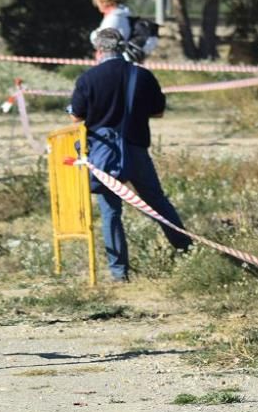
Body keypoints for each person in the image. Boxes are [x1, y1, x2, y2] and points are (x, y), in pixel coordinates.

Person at [69, 28, 191, 282]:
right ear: (121, 47)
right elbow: (158, 112)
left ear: (99, 51)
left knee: (111, 213)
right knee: (157, 203)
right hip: (135, 148)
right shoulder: (142, 75)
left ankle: (119, 273)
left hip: (103, 153)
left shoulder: (87, 79)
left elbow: (76, 117)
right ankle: (186, 249)